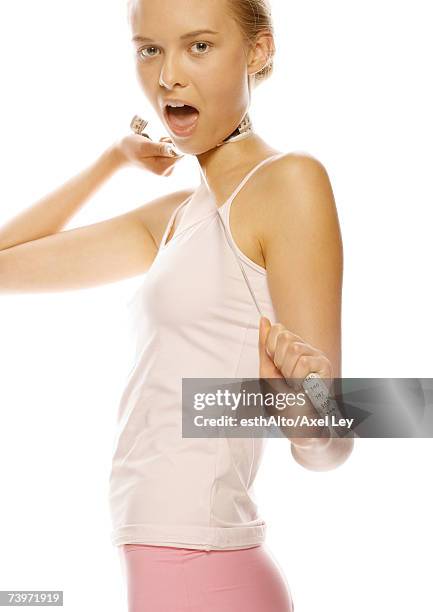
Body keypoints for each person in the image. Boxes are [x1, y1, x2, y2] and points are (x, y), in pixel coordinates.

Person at [0, 0, 355, 609]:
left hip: (208, 567)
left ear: (258, 51)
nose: (168, 77)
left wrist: (304, 409)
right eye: (149, 49)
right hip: (161, 561)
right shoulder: (174, 221)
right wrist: (113, 159)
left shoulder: (289, 183)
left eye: (198, 46)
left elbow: (334, 439)